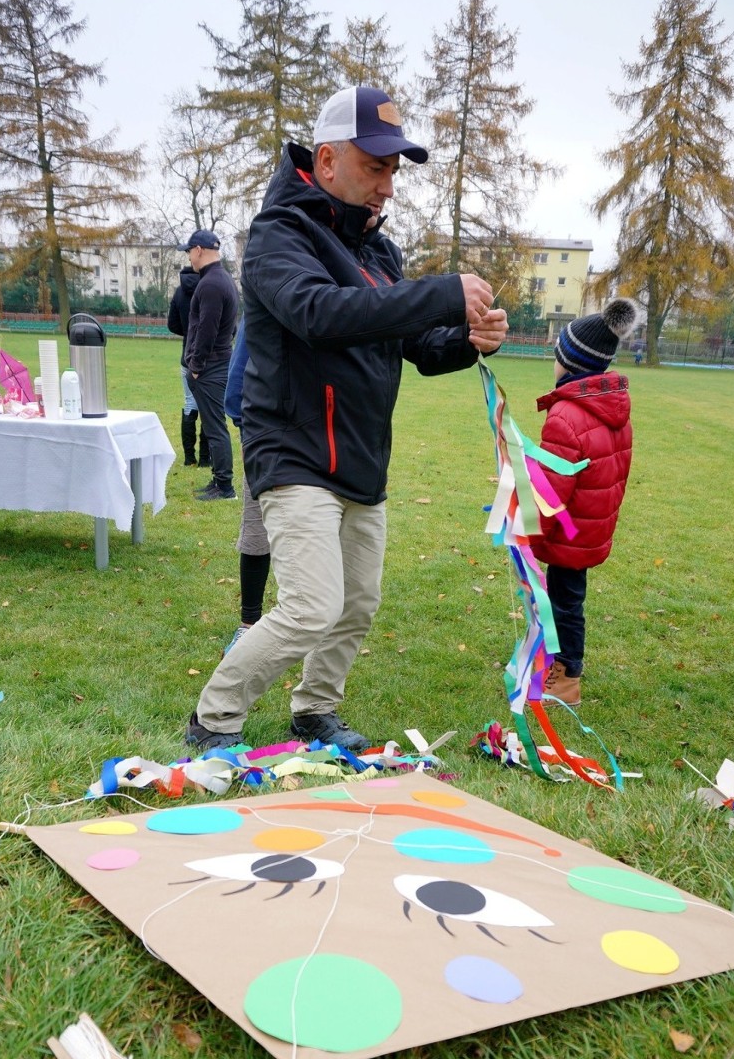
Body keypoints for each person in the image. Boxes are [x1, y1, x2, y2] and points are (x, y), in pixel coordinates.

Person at [185, 85, 508, 753]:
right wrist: (444, 293)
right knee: (311, 605)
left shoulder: (379, 253)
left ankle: (315, 709)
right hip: (294, 451)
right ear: (327, 162)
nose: (388, 184)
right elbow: (320, 314)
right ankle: (215, 716)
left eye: (393, 169)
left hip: (361, 460)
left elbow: (414, 346)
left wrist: (466, 339)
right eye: (375, 165)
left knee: (357, 603)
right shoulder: (278, 236)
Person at [531, 299, 638, 706]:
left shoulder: (566, 415)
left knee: (564, 603)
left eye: (557, 354)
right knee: (569, 598)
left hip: (569, 532)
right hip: (590, 528)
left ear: (570, 363)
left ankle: (566, 677)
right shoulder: (613, 409)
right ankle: (559, 662)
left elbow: (549, 492)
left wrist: (528, 533)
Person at [223, 316, 271, 654]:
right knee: (257, 531)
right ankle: (248, 623)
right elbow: (237, 379)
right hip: (266, 433)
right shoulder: (265, 299)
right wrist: (245, 428)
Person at [180, 230, 239, 501]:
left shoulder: (212, 284)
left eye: (189, 250)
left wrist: (195, 366)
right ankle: (218, 480)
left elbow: (207, 330)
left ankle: (225, 487)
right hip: (216, 363)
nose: (188, 256)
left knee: (215, 427)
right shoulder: (221, 279)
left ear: (199, 249)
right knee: (214, 426)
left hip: (210, 367)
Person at [167, 262, 210, 469]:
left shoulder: (179, 291)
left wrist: (188, 332)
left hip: (187, 355)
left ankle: (189, 457)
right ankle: (204, 459)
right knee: (208, 406)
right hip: (209, 357)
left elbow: (171, 324)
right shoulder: (209, 287)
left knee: (189, 403)